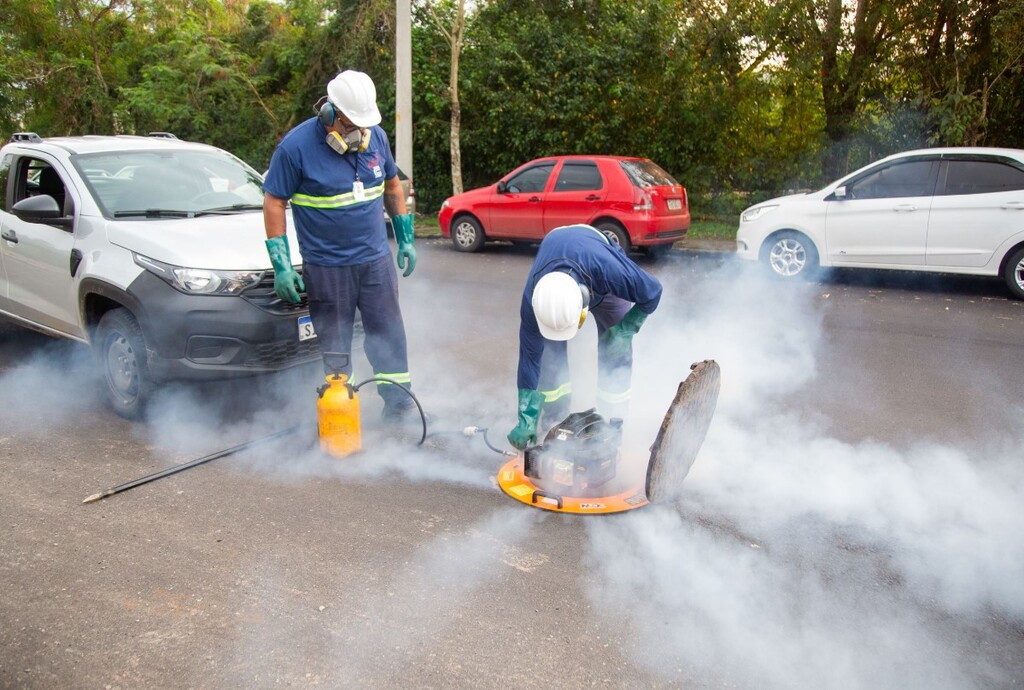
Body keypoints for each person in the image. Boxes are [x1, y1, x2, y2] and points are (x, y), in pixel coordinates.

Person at [263, 69, 419, 422]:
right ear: (329, 113)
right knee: (335, 344)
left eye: (362, 125)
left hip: (375, 261)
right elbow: (274, 202)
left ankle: (399, 406)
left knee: (390, 335)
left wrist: (406, 239)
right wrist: (282, 266)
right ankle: (341, 414)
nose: (357, 133)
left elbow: (394, 187)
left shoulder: (375, 137)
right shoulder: (295, 148)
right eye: (350, 123)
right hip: (327, 267)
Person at [508, 224, 662, 449]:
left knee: (616, 352)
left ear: (584, 302)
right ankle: (554, 422)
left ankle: (613, 423)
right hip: (559, 254)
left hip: (596, 265)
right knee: (549, 356)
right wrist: (525, 418)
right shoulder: (536, 301)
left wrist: (626, 330)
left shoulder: (612, 272)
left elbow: (653, 292)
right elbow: (530, 360)